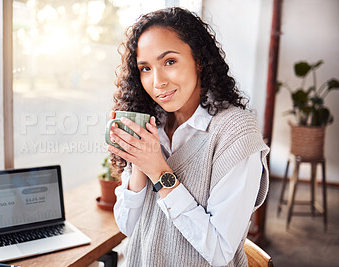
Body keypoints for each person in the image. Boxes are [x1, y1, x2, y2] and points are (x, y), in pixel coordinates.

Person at [107, 7, 269, 267]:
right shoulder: (151, 122)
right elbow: (128, 226)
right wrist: (139, 162)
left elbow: (220, 252)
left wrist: (159, 172)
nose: (157, 81)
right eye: (145, 68)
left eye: (169, 61)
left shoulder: (236, 132)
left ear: (199, 60)